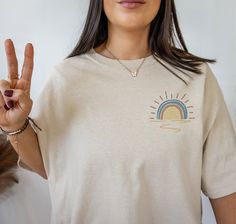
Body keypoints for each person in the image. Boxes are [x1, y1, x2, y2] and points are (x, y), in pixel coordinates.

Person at [0, 0, 235, 223]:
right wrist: (14, 126)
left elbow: (225, 184)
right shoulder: (66, 78)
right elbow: (53, 166)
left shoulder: (196, 78)